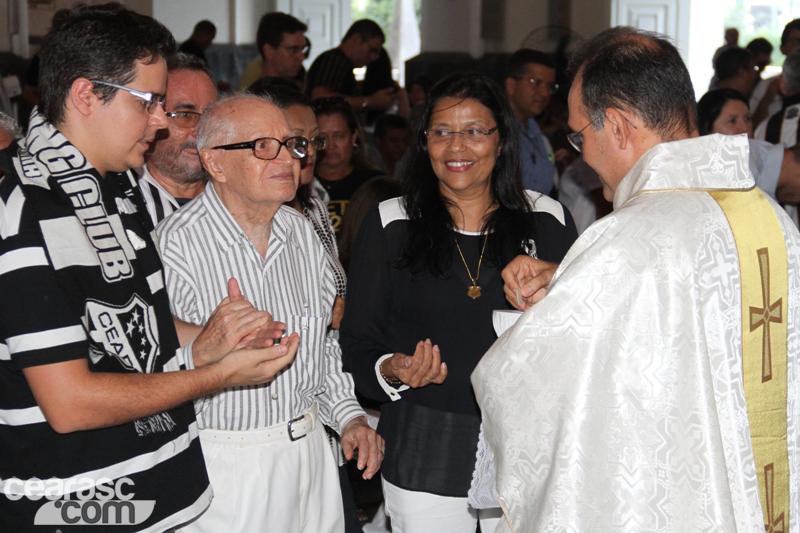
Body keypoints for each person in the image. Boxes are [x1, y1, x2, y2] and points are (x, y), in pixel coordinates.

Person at [473, 26, 800, 532]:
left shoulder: (628, 239)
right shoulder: (772, 219)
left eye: (580, 134)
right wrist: (571, 280)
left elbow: (525, 377)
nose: (580, 152)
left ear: (620, 128)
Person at [0, 4, 297, 530]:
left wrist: (209, 337)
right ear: (86, 95)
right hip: (75, 504)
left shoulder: (116, 187)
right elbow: (71, 402)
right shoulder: (19, 206)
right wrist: (215, 376)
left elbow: (135, 331)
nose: (161, 122)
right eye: (149, 103)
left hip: (162, 482)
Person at [340, 73, 577, 533]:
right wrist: (393, 368)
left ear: (502, 139)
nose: (457, 148)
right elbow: (355, 345)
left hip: (523, 441)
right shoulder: (392, 223)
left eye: (474, 131)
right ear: (423, 142)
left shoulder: (546, 219)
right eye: (442, 132)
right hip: (425, 439)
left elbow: (584, 337)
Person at [155, 93, 383, 533]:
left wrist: (350, 417)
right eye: (263, 146)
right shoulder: (175, 246)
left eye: (293, 144)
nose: (288, 159)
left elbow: (323, 347)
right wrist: (210, 347)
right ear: (215, 163)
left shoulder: (301, 232)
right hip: (226, 460)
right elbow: (150, 372)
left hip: (312, 452)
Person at [138, 52, 218, 226]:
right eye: (185, 114)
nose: (201, 130)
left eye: (210, 116)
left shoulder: (238, 201)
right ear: (153, 117)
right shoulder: (124, 203)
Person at [313, 96, 386, 234]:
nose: (331, 146)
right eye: (322, 138)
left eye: (339, 136)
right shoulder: (300, 187)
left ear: (353, 137)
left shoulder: (374, 185)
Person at [305, 19, 397, 113]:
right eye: (372, 50)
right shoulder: (335, 59)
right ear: (357, 39)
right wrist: (370, 102)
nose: (373, 58)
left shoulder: (341, 62)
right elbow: (320, 96)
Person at [504, 48, 559, 194]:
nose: (544, 93)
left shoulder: (539, 137)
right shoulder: (497, 134)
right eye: (536, 83)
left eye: (549, 86)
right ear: (511, 86)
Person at [238, 12, 308, 92]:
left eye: (303, 49)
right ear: (269, 51)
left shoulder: (292, 87)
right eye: (293, 49)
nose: (301, 57)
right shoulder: (261, 95)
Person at [751, 19, 800, 129]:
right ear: (783, 49)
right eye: (796, 41)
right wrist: (766, 100)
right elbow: (751, 130)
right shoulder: (766, 86)